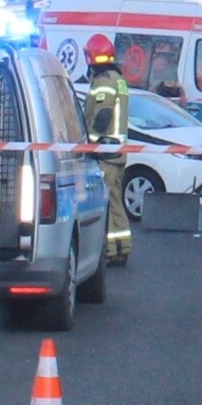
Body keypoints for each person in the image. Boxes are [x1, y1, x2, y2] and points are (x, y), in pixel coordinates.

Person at [83, 33, 133, 265]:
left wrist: (90, 141)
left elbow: (102, 114)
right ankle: (124, 246)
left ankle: (111, 251)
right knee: (115, 199)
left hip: (105, 151)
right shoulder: (118, 79)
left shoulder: (103, 81)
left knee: (105, 200)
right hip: (118, 151)